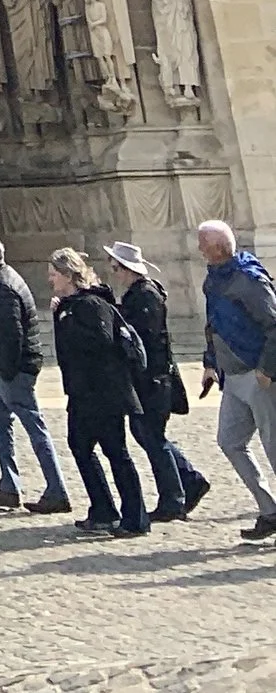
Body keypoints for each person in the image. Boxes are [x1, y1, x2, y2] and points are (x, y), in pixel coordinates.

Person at [48, 248, 150, 535]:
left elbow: (101, 341)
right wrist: (61, 316)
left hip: (104, 394)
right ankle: (104, 510)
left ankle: (134, 518)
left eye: (54, 274)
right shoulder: (70, 306)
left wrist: (65, 318)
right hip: (84, 393)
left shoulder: (91, 303)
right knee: (80, 446)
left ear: (69, 275)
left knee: (116, 452)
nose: (51, 280)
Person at [0, 229, 72, 512]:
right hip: (3, 372)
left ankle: (56, 490)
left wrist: (4, 371)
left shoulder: (1, 285)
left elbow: (11, 333)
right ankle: (9, 486)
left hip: (12, 371)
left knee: (33, 426)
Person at [108, 242, 209, 520]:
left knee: (152, 437)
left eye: (116, 267)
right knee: (149, 436)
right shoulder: (137, 295)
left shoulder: (145, 296)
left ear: (127, 269)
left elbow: (146, 339)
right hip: (150, 379)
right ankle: (190, 480)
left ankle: (173, 500)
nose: (114, 272)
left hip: (153, 380)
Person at [198, 216, 276, 536]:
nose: (199, 250)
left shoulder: (249, 280)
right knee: (229, 442)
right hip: (232, 377)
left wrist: (267, 370)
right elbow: (213, 323)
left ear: (217, 249)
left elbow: (274, 325)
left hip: (258, 376)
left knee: (274, 448)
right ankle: (270, 510)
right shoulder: (213, 278)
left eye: (203, 245)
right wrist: (209, 363)